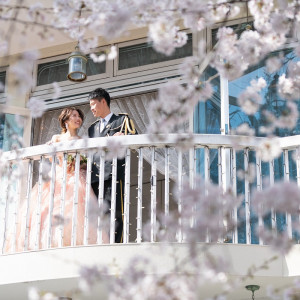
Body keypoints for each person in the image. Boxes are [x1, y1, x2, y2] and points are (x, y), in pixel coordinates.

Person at [7, 107, 107, 253]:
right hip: (59, 175)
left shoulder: (81, 140)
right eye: (74, 116)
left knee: (75, 210)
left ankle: (72, 241)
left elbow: (86, 162)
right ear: (66, 120)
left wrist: (79, 163)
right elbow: (51, 156)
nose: (78, 118)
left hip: (76, 176)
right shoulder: (57, 138)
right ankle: (49, 241)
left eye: (79, 116)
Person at [88, 88, 136, 243]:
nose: (92, 108)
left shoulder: (122, 121)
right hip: (94, 177)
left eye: (93, 104)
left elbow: (135, 140)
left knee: (114, 213)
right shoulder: (92, 128)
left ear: (103, 101)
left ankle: (114, 245)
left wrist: (124, 136)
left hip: (112, 175)